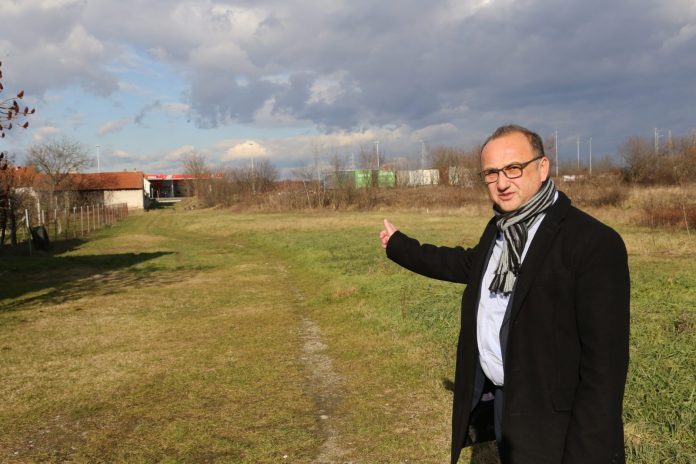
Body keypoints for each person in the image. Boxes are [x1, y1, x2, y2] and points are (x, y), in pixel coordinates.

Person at [379, 124, 630, 464]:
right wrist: (399, 246)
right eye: (491, 173)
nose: (502, 182)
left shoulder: (592, 243)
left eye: (514, 168)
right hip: (505, 405)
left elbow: (604, 370)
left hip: (555, 422)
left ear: (542, 167)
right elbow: (464, 264)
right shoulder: (500, 230)